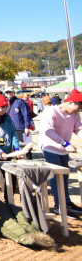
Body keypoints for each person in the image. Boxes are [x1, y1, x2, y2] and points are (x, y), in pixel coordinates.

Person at [38, 89, 82, 218]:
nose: (78, 111)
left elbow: (78, 129)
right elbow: (48, 131)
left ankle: (67, 202)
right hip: (50, 147)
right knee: (56, 177)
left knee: (65, 176)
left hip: (63, 150)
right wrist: (65, 144)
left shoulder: (74, 115)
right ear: (71, 102)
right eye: (78, 107)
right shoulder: (51, 111)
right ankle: (59, 205)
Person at [5, 87, 33, 159]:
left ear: (14, 93)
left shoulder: (20, 101)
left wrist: (27, 127)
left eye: (10, 92)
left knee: (24, 147)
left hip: (20, 127)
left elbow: (26, 114)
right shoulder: (5, 102)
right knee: (13, 146)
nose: (9, 94)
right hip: (9, 128)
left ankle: (28, 161)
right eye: (7, 92)